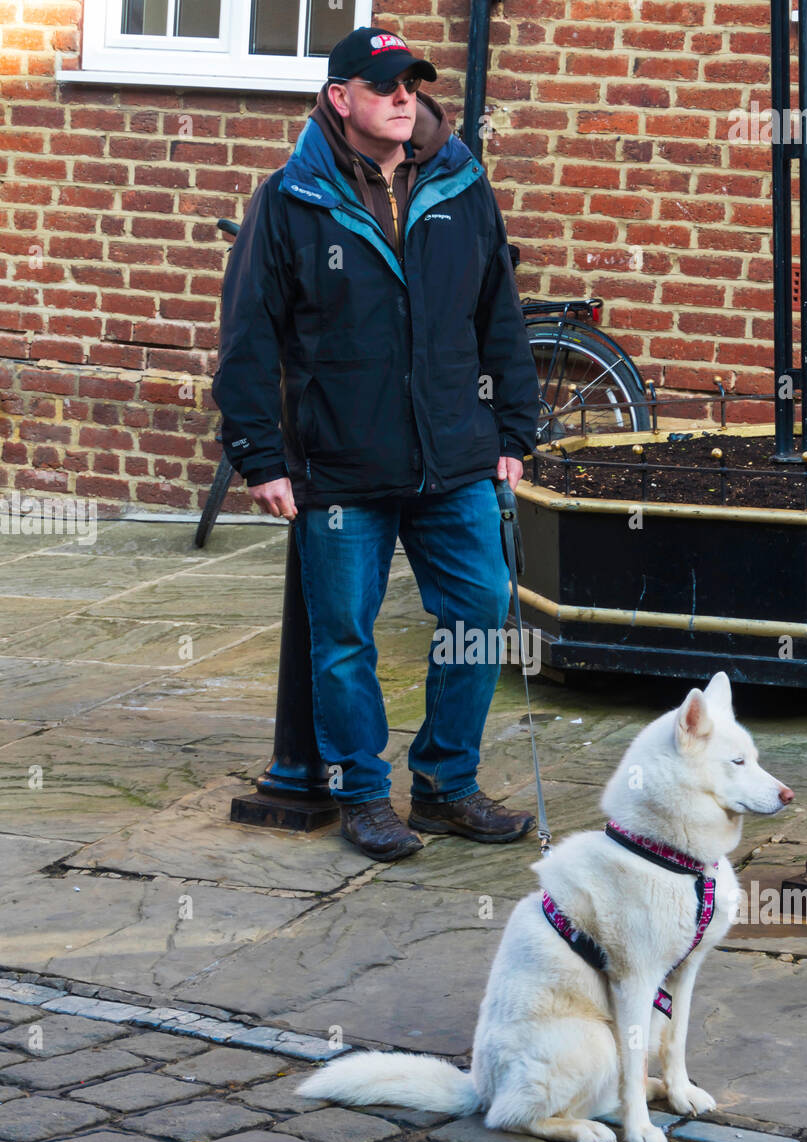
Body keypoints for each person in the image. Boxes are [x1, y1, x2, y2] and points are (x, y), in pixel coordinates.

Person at [212, 26, 540, 863]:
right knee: (345, 639)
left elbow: (498, 315)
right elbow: (248, 336)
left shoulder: (462, 185)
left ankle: (444, 783)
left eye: (412, 84)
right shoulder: (289, 200)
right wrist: (259, 455)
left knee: (478, 613)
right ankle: (363, 793)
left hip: (455, 460)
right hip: (342, 469)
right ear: (339, 97)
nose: (404, 98)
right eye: (385, 84)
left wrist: (513, 426)